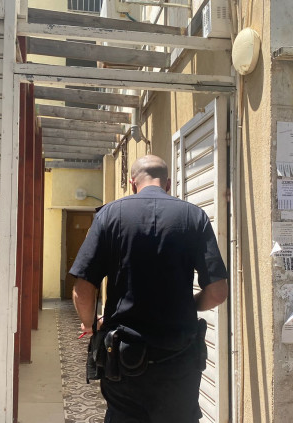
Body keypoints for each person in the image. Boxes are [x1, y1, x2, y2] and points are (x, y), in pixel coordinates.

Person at [68, 154, 228, 423]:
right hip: (179, 362)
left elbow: (82, 290)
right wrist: (187, 305)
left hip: (124, 363)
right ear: (168, 184)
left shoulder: (109, 216)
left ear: (132, 183)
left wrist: (91, 324)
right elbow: (218, 292)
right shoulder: (195, 217)